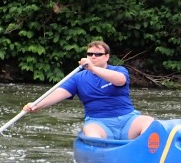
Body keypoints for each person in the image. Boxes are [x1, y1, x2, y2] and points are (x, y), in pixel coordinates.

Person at [24, 41, 154, 139]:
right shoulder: (78, 78)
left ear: (106, 57)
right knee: (90, 132)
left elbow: (120, 80)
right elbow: (59, 93)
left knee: (148, 122)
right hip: (99, 123)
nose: (93, 56)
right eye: (90, 54)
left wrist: (93, 69)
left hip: (127, 119)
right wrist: (37, 105)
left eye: (98, 54)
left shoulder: (118, 70)